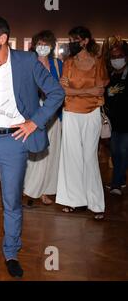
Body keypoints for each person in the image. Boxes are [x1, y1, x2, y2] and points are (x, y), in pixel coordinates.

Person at [0, 16, 64, 278]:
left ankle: (11, 252)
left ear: (2, 38)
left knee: (11, 202)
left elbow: (56, 93)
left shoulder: (27, 62)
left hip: (13, 141)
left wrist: (34, 123)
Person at [56, 26, 110, 220]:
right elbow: (65, 91)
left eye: (75, 40)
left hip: (92, 113)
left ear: (85, 41)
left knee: (89, 157)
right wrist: (87, 92)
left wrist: (77, 92)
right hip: (71, 112)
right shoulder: (68, 63)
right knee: (71, 157)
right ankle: (74, 201)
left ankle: (96, 204)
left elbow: (101, 90)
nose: (72, 44)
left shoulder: (98, 62)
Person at [23, 30, 63, 206]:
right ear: (34, 45)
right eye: (40, 44)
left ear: (52, 46)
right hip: (33, 113)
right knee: (34, 153)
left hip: (53, 114)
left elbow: (61, 89)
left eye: (46, 44)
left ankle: (46, 191)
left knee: (51, 153)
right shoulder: (28, 63)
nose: (43, 47)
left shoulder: (58, 64)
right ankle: (29, 190)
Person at [102, 37, 128, 195]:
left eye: (119, 56)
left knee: (123, 151)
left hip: (127, 123)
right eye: (113, 57)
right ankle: (120, 179)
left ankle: (116, 184)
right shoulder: (110, 76)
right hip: (113, 123)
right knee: (114, 152)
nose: (116, 60)